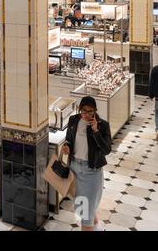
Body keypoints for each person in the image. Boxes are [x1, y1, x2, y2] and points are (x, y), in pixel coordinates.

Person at [62, 96, 112, 231]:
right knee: (81, 205)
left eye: (90, 112)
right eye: (83, 111)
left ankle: (89, 225)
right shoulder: (74, 120)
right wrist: (67, 145)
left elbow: (107, 150)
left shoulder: (103, 125)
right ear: (79, 109)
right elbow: (69, 139)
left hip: (91, 171)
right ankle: (95, 224)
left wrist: (95, 131)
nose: (86, 114)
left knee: (86, 215)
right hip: (74, 168)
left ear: (95, 111)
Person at [149, 64, 158, 139]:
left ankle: (157, 130)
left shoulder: (154, 69)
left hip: (157, 97)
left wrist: (151, 95)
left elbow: (151, 83)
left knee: (157, 114)